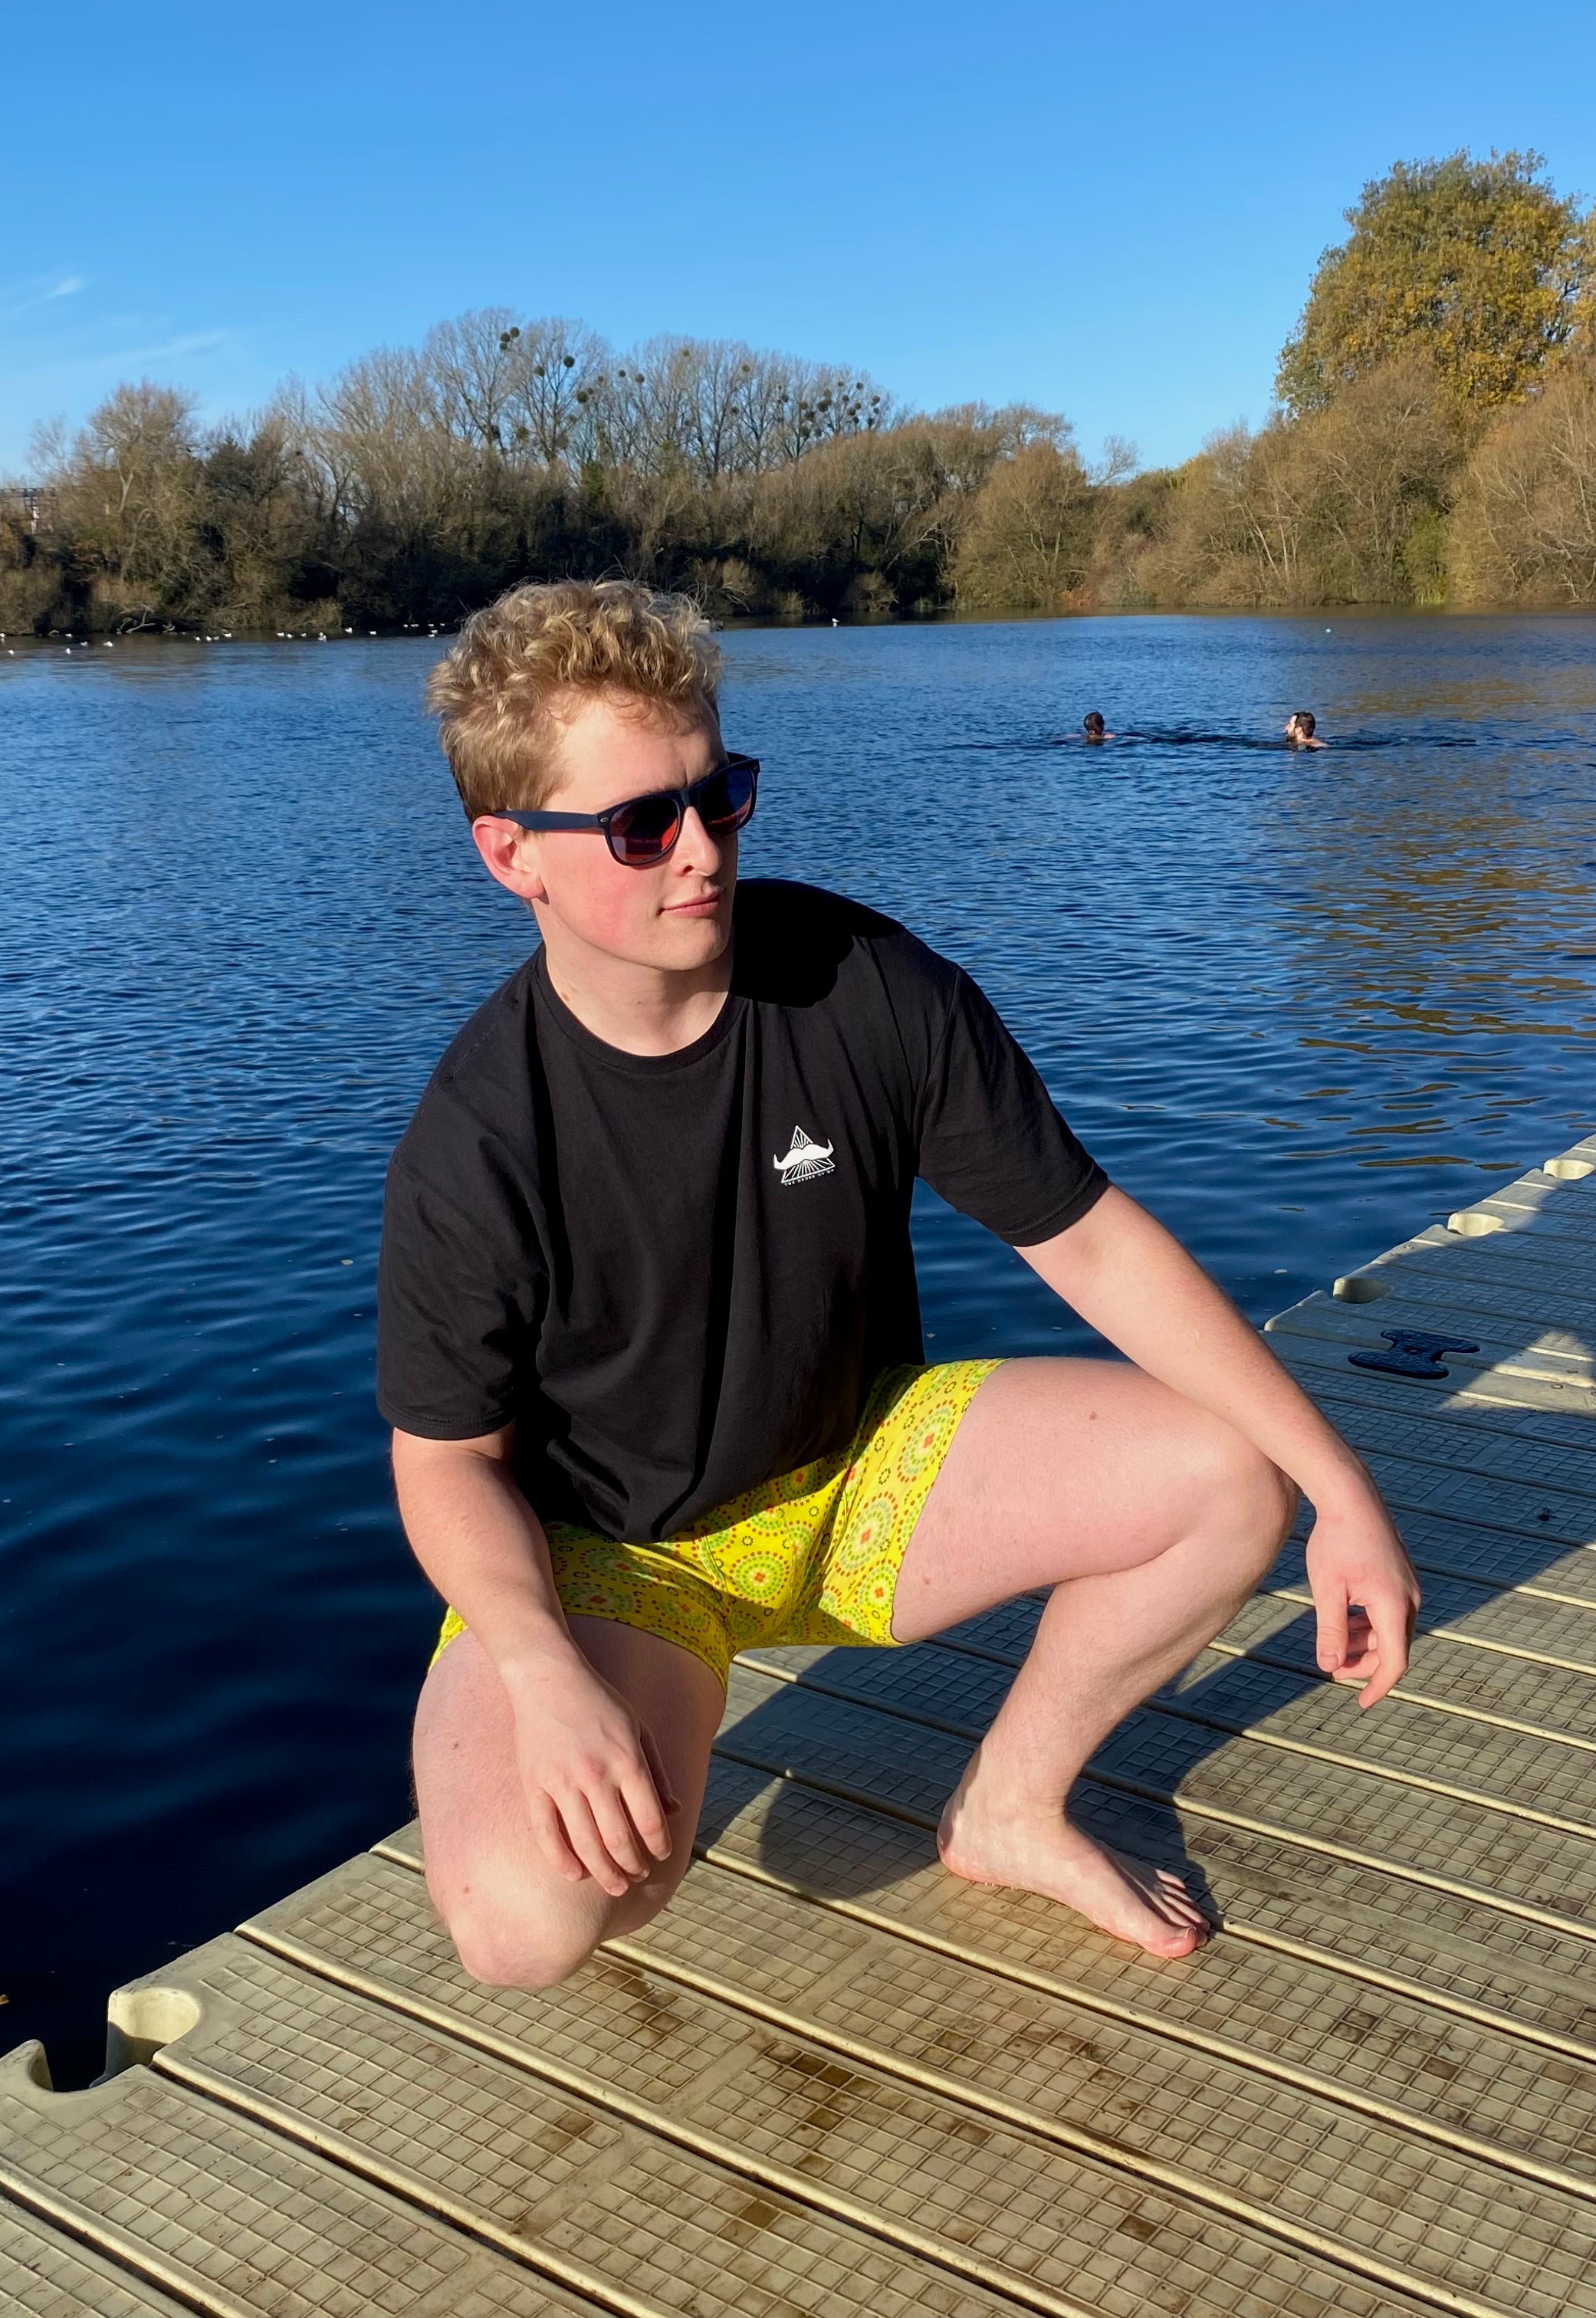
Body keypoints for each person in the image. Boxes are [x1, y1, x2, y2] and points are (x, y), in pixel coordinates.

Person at [379, 580, 1418, 1991]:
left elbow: (1090, 1239)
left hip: (853, 1472)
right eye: (640, 823)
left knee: (1233, 1476)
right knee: (523, 1922)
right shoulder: (479, 1132)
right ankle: (618, 1700)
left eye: (719, 793)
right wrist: (542, 1669)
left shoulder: (863, 984)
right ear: (512, 854)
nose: (701, 852)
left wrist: (1340, 1483)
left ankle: (1008, 1805)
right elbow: (443, 1464)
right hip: (619, 1559)